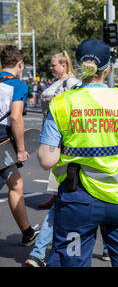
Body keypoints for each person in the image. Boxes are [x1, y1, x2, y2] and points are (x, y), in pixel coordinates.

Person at [36, 38, 118, 267]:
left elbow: (46, 159)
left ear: (78, 65)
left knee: (72, 261)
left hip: (78, 201)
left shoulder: (63, 103)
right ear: (107, 68)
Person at [0, 45, 39, 247]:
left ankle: (27, 232)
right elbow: (15, 117)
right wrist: (22, 150)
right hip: (2, 141)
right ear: (20, 64)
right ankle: (27, 233)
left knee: (15, 183)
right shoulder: (19, 85)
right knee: (15, 183)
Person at [38, 51, 82, 210]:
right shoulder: (57, 81)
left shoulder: (71, 82)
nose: (51, 67)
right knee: (56, 165)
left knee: (64, 165)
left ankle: (64, 197)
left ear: (64, 66)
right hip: (51, 130)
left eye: (53, 65)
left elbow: (79, 103)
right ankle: (56, 196)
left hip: (63, 132)